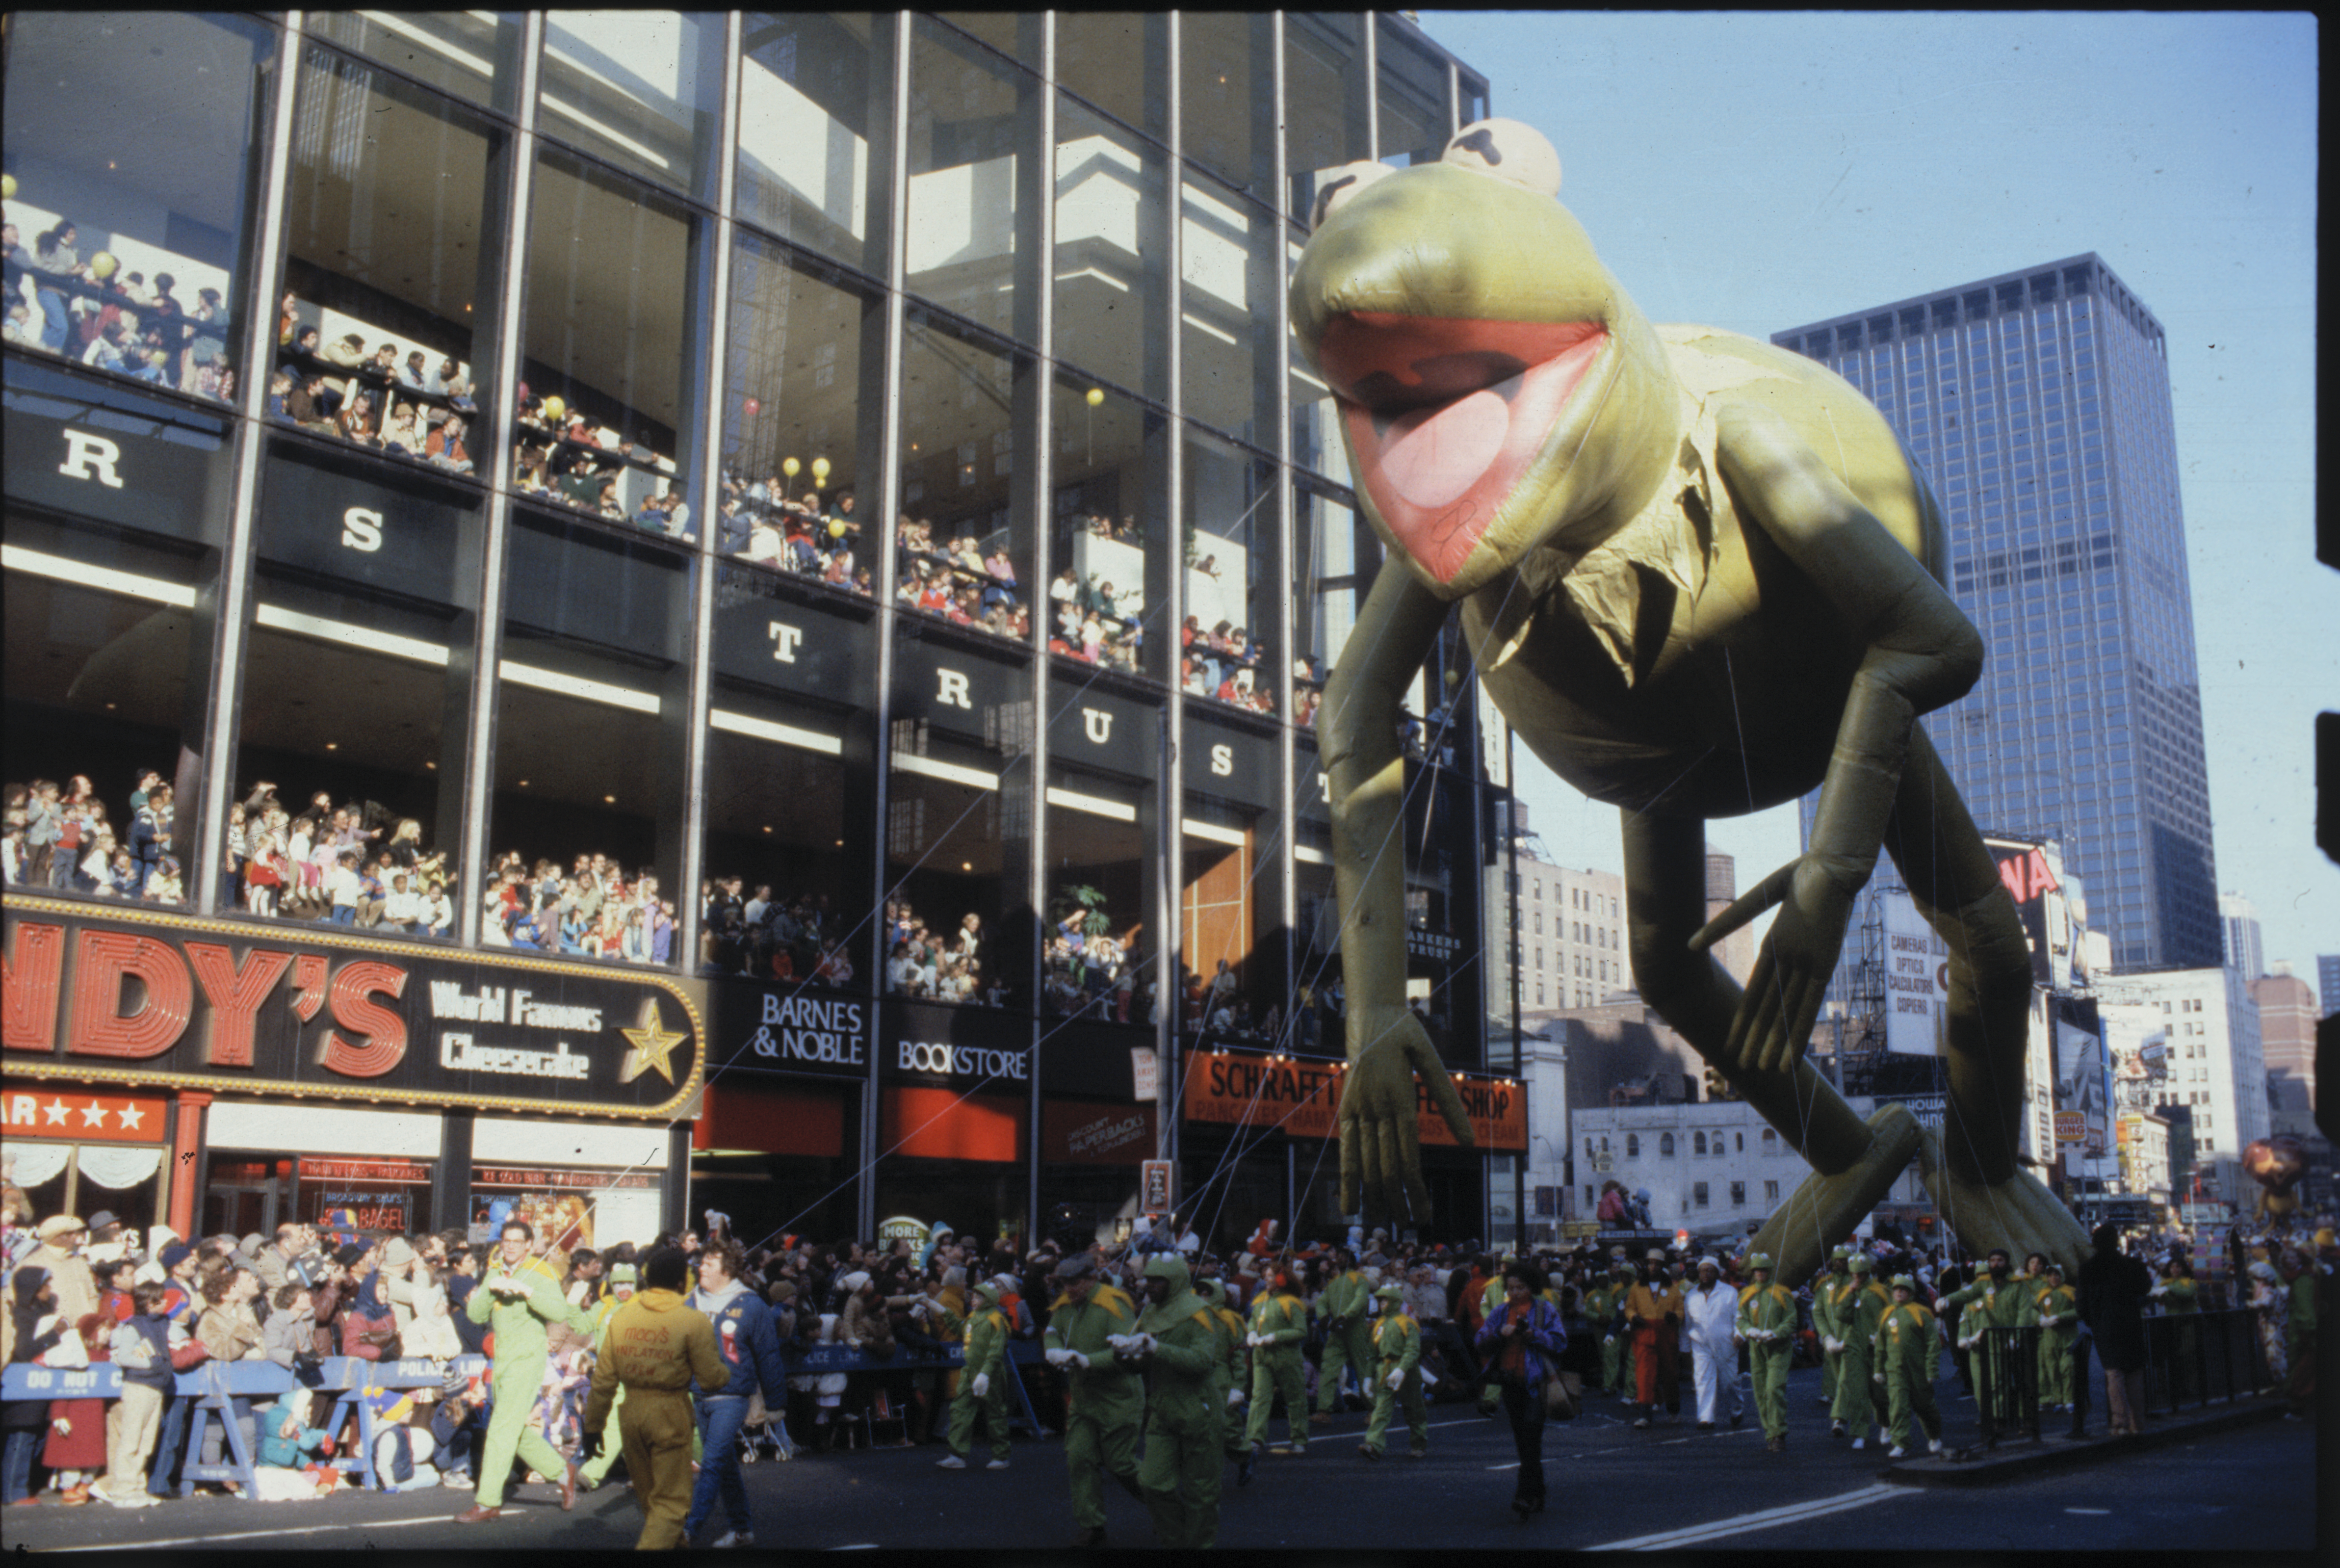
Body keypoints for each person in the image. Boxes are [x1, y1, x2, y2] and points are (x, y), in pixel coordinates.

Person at [581, 1246, 723, 1550]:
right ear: (683, 1282)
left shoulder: (622, 1318)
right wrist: (729, 1370)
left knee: (651, 1502)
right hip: (670, 1412)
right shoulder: (692, 1321)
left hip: (631, 1413)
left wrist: (592, 1426)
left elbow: (603, 1381)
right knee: (671, 1505)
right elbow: (712, 1379)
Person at [455, 1220, 584, 1523]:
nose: (510, 1246)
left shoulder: (540, 1272)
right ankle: (561, 1470)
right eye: (506, 1240)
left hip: (527, 1360)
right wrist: (491, 1290)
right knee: (512, 1428)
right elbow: (475, 1314)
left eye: (517, 1241)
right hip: (500, 1361)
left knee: (500, 1430)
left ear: (529, 1244)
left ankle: (487, 1503)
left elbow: (559, 1312)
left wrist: (527, 1292)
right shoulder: (496, 1269)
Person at [683, 1240, 790, 1548]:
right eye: (701, 1262)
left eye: (709, 1264)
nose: (701, 1267)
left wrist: (776, 1402)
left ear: (727, 1270)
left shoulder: (751, 1304)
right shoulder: (689, 1302)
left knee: (712, 1462)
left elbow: (768, 1356)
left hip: (732, 1397)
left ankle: (690, 1530)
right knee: (725, 1463)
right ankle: (742, 1529)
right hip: (698, 1395)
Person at [1120, 1253, 1223, 1550]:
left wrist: (1156, 1349)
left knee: (1201, 1493)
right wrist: (1123, 1356)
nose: (1149, 1285)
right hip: (1163, 1410)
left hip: (1198, 1410)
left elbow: (1203, 1362)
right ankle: (1175, 1540)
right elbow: (1140, 1364)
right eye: (1148, 1279)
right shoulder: (1148, 1313)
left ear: (1175, 1282)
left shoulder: (1200, 1312)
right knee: (1152, 1483)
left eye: (1157, 1281)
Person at [1042, 1252, 1145, 1548]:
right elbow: (1052, 1332)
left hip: (1118, 1397)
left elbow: (1127, 1351)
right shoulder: (1065, 1305)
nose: (1069, 1289)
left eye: (1075, 1283)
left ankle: (1169, 1507)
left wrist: (1086, 1360)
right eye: (1065, 1283)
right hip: (1084, 1398)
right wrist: (1053, 1351)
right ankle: (1091, 1526)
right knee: (1079, 1458)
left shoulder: (1114, 1303)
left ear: (1092, 1278)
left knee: (1121, 1464)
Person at [1474, 1258, 1566, 1521]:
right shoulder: (1500, 1312)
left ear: (1531, 1287)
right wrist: (1497, 1335)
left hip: (1537, 1383)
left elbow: (1560, 1343)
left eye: (1521, 1288)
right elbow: (1480, 1341)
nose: (1515, 1293)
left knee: (1530, 1436)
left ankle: (1524, 1495)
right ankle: (1538, 1491)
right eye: (1511, 1288)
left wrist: (1532, 1335)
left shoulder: (1545, 1310)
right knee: (1523, 1440)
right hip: (1510, 1381)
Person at [936, 1276, 1014, 1471]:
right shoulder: (973, 1317)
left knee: (996, 1414)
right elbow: (960, 1329)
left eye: (979, 1297)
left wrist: (986, 1374)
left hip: (992, 1376)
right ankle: (956, 1454)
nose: (974, 1299)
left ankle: (1001, 1455)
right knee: (960, 1411)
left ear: (988, 1299)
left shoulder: (997, 1320)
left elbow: (996, 1352)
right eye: (974, 1296)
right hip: (970, 1373)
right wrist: (943, 1311)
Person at [1242, 1260, 1310, 1458]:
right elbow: (1253, 1321)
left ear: (1281, 1279)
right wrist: (1252, 1334)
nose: (1266, 1279)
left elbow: (1301, 1331)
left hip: (1287, 1358)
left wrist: (1275, 1337)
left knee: (1296, 1398)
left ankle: (1299, 1440)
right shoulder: (1259, 1301)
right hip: (1262, 1357)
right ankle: (1255, 1439)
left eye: (1271, 1276)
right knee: (1259, 1398)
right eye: (1266, 1276)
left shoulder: (1292, 1303)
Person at [1871, 1275, 1944, 1459]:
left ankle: (1934, 1436)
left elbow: (1933, 1343)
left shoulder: (1921, 1312)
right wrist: (1878, 1369)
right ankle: (1900, 1443)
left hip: (1919, 1369)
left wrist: (1931, 1369)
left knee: (1925, 1406)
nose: (1899, 1292)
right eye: (1896, 1289)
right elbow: (1880, 1344)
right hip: (1895, 1369)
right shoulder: (1886, 1314)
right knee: (1897, 1406)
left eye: (1904, 1290)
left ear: (1911, 1292)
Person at [1828, 1252, 1894, 1449]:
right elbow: (1841, 1316)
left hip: (1877, 1349)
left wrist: (1882, 1338)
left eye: (1861, 1275)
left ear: (1868, 1273)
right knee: (1857, 1391)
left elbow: (1891, 1317)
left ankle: (1885, 1424)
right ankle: (1859, 1433)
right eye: (1854, 1274)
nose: (1857, 1278)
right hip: (1855, 1347)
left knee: (1880, 1393)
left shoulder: (1881, 1291)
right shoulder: (1849, 1292)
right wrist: (1850, 1294)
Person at [1734, 1251, 1797, 1453]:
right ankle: (1770, 1432)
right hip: (1757, 1349)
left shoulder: (1782, 1293)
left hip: (1779, 1348)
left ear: (1770, 1271)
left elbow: (1792, 1320)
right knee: (1761, 1393)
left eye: (1764, 1269)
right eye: (1757, 1270)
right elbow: (1740, 1319)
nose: (1760, 1273)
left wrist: (1776, 1333)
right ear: (1753, 1272)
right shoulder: (1745, 1294)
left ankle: (1778, 1433)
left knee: (1773, 1389)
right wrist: (1748, 1331)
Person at [1359, 1283, 1428, 1461]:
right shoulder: (1378, 1325)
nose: (1382, 1304)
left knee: (1414, 1409)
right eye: (1380, 1300)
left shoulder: (1407, 1323)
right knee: (1381, 1409)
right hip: (1385, 1369)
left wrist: (1402, 1369)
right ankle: (1373, 1444)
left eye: (1386, 1300)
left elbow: (1413, 1350)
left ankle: (1419, 1443)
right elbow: (1372, 1354)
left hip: (1407, 1371)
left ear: (1395, 1301)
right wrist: (1368, 1377)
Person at [1623, 1247, 1684, 1427]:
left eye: (1657, 1264)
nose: (1653, 1267)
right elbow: (1629, 1307)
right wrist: (1634, 1317)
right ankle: (1645, 1415)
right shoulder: (1637, 1287)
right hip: (1644, 1333)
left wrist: (1676, 1317)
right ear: (1646, 1264)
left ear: (1663, 1266)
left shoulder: (1672, 1288)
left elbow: (1680, 1309)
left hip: (1666, 1333)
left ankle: (1673, 1411)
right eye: (1650, 1263)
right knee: (1644, 1375)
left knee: (1670, 1374)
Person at [1311, 1246, 1372, 1422]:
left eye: (1344, 1257)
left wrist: (1345, 1316)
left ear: (1351, 1261)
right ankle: (1324, 1410)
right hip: (1337, 1331)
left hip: (1355, 1329)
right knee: (1329, 1367)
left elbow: (1361, 1300)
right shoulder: (1334, 1283)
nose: (1340, 1259)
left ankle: (1373, 1409)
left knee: (1363, 1368)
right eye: (1339, 1256)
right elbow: (1322, 1302)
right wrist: (1323, 1316)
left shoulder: (1360, 1279)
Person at [1683, 1257, 1745, 1430]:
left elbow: (1739, 1316)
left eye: (1710, 1270)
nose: (1706, 1274)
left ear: (1717, 1273)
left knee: (1730, 1381)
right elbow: (1687, 1323)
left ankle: (1736, 1409)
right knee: (1703, 1379)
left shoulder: (1729, 1293)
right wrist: (1685, 1346)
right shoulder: (1691, 1296)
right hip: (1701, 1345)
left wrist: (1740, 1334)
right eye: (1703, 1270)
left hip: (1727, 1343)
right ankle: (1706, 1417)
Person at [2033, 1261, 2078, 1414]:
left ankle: (2069, 1399)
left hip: (2068, 1337)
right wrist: (2040, 1319)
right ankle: (2058, 1399)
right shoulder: (2041, 1293)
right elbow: (2032, 1310)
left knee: (2068, 1367)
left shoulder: (2070, 1291)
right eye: (2050, 1275)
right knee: (2052, 1369)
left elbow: (2079, 1311)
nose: (2054, 1277)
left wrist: (2060, 1317)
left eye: (2056, 1274)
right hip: (2049, 1338)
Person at [1809, 1244, 1851, 1407]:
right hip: (1830, 1331)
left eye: (1844, 1260)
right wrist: (1825, 1334)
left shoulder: (1855, 1283)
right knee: (1829, 1363)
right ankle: (1828, 1392)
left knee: (1850, 1364)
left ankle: (1848, 1394)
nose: (1840, 1263)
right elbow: (1817, 1309)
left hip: (1849, 1331)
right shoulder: (1824, 1283)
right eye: (1838, 1260)